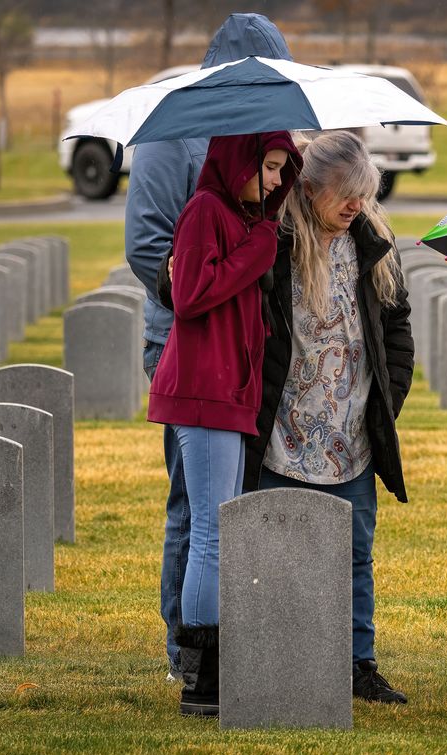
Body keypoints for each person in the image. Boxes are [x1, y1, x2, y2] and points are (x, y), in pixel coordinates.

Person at [125, 12, 293, 683]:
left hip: (249, 352)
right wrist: (209, 300)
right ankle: (187, 655)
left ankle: (232, 643)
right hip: (188, 348)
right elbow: (147, 245)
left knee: (236, 503)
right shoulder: (177, 133)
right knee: (194, 508)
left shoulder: (269, 140)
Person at [242, 130, 414, 704]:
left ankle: (358, 662)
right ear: (308, 187)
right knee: (278, 553)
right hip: (283, 435)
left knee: (355, 556)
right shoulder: (276, 242)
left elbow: (396, 329)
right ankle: (277, 656)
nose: (355, 206)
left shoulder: (373, 243)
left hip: (352, 434)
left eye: (363, 194)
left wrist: (386, 398)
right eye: (343, 194)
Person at [148, 130, 302, 716]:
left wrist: (258, 237)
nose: (272, 180)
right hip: (202, 393)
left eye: (280, 170)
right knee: (210, 535)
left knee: (224, 533)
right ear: (238, 159)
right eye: (266, 166)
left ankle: (213, 663)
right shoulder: (205, 212)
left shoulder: (242, 218)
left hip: (229, 393)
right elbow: (186, 295)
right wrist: (254, 253)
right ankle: (201, 676)